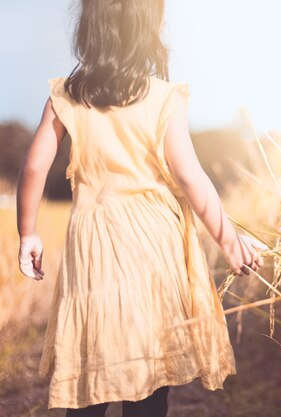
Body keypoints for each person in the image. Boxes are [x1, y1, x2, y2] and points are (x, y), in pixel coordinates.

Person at [15, 0, 266, 415]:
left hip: (93, 239)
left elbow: (34, 166)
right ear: (150, 28)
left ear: (89, 27)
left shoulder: (65, 96)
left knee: (90, 358)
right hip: (154, 241)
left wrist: (28, 234)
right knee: (152, 365)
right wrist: (229, 239)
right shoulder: (163, 98)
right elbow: (190, 176)